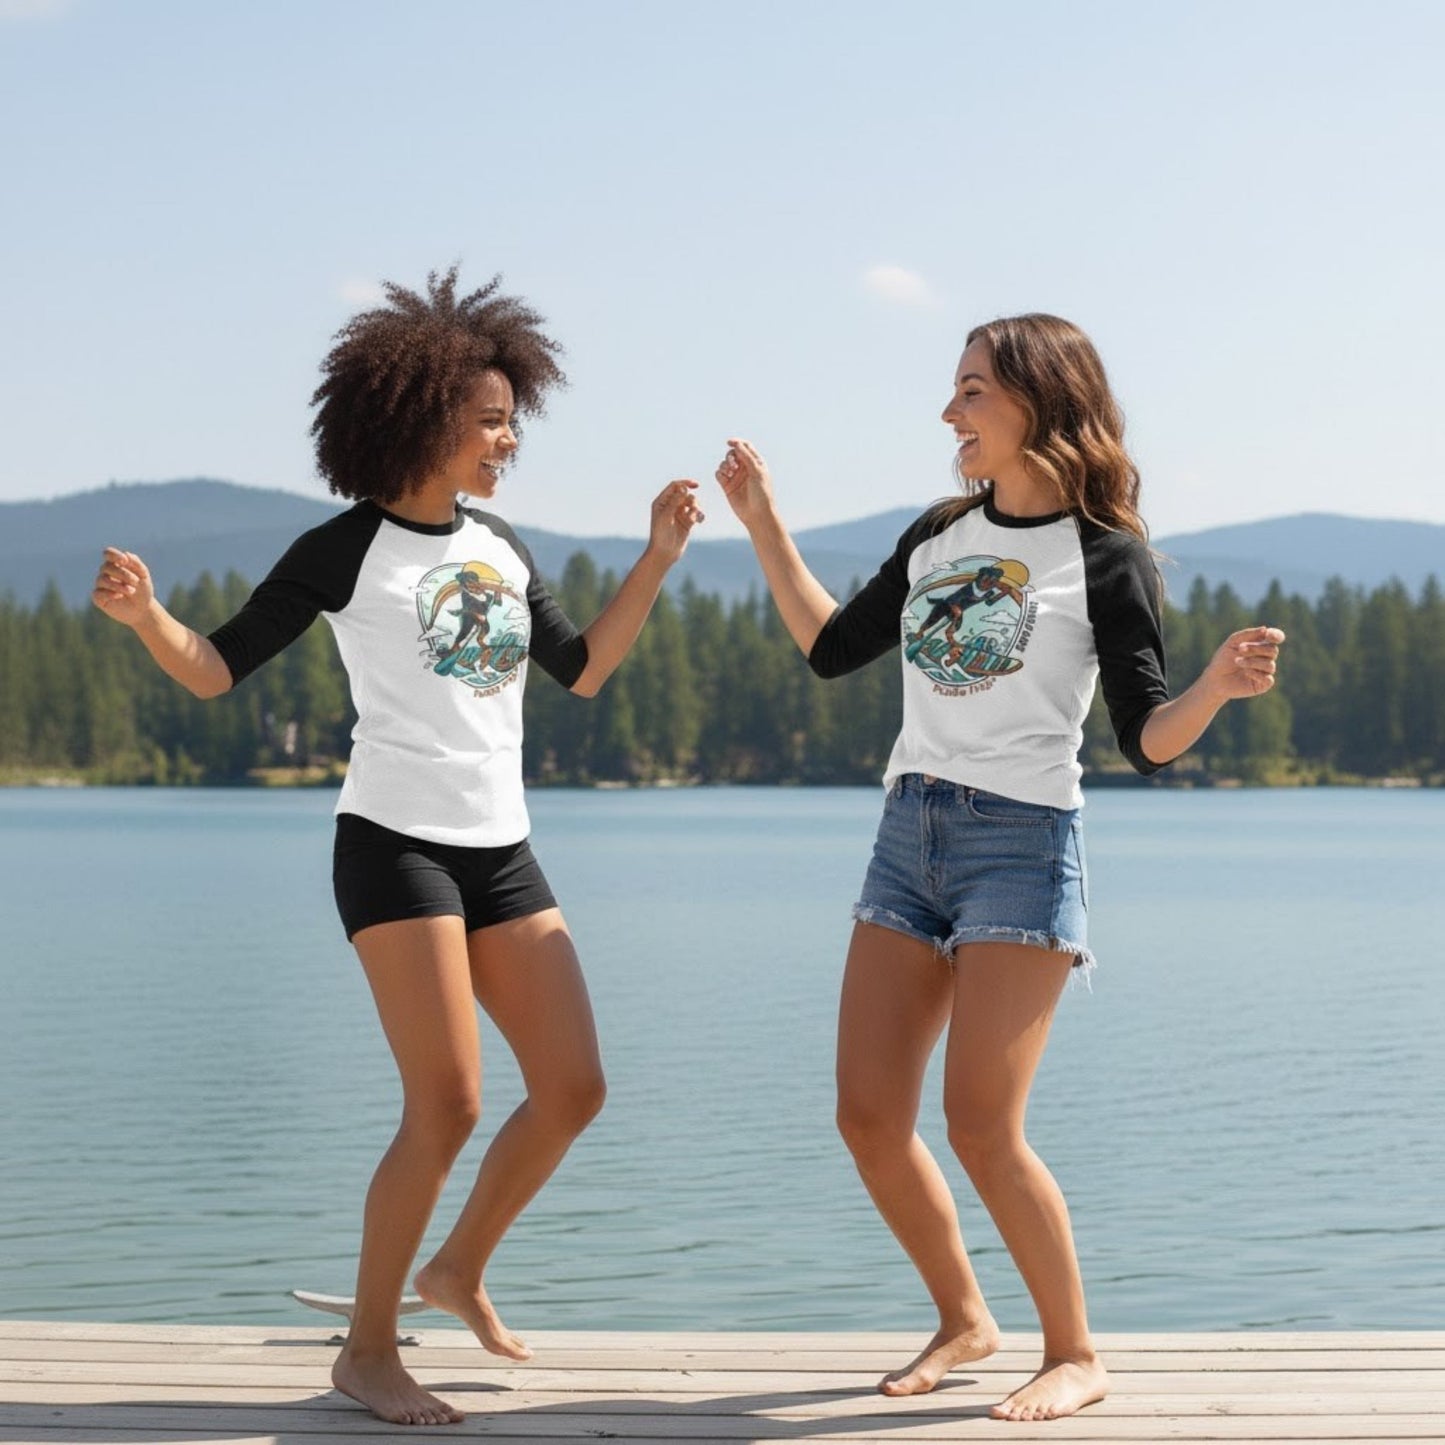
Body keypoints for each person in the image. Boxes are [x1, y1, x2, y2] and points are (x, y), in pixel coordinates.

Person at [92, 268, 702, 1427]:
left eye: (510, 415)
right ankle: (367, 1349)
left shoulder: (503, 543)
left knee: (572, 1085)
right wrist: (145, 620)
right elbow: (217, 667)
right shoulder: (343, 548)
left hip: (502, 848)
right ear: (420, 417)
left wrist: (659, 555)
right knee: (449, 1100)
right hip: (393, 845)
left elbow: (584, 670)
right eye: (487, 418)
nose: (506, 436)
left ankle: (457, 1267)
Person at [716, 313, 1284, 1423]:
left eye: (970, 390)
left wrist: (1210, 685)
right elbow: (831, 648)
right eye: (953, 391)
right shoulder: (937, 533)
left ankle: (1073, 1350)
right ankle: (964, 1315)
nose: (949, 414)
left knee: (980, 1122)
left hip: (1019, 844)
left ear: (1034, 400)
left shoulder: (1104, 554)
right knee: (867, 1113)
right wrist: (763, 522)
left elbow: (1143, 740)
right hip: (906, 830)